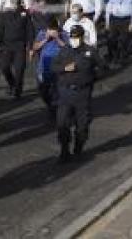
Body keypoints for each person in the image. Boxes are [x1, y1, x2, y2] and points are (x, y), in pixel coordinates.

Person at [51, 25, 104, 162]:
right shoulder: (64, 51)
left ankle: (78, 148)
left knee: (82, 125)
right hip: (66, 92)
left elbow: (102, 67)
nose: (74, 39)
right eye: (72, 37)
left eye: (76, 37)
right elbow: (54, 67)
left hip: (82, 93)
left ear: (81, 37)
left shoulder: (90, 52)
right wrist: (64, 68)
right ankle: (64, 151)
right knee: (62, 123)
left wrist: (90, 79)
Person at [0, 0, 33, 98]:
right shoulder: (5, 14)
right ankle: (12, 84)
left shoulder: (25, 14)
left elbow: (30, 30)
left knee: (19, 69)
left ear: (20, 3)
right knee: (5, 68)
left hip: (20, 45)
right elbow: (0, 29)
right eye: (13, 3)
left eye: (16, 3)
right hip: (7, 45)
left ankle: (17, 91)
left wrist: (30, 47)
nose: (14, 5)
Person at [32, 18, 67, 123]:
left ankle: (56, 111)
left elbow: (68, 48)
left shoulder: (64, 34)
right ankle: (50, 105)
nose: (51, 31)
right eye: (49, 29)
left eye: (53, 29)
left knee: (57, 90)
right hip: (44, 66)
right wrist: (45, 40)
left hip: (58, 66)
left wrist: (57, 38)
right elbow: (35, 47)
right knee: (43, 90)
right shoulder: (42, 33)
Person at [104, 0, 132, 67]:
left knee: (123, 40)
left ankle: (122, 58)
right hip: (114, 20)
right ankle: (115, 55)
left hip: (126, 20)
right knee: (111, 39)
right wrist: (107, 22)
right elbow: (108, 9)